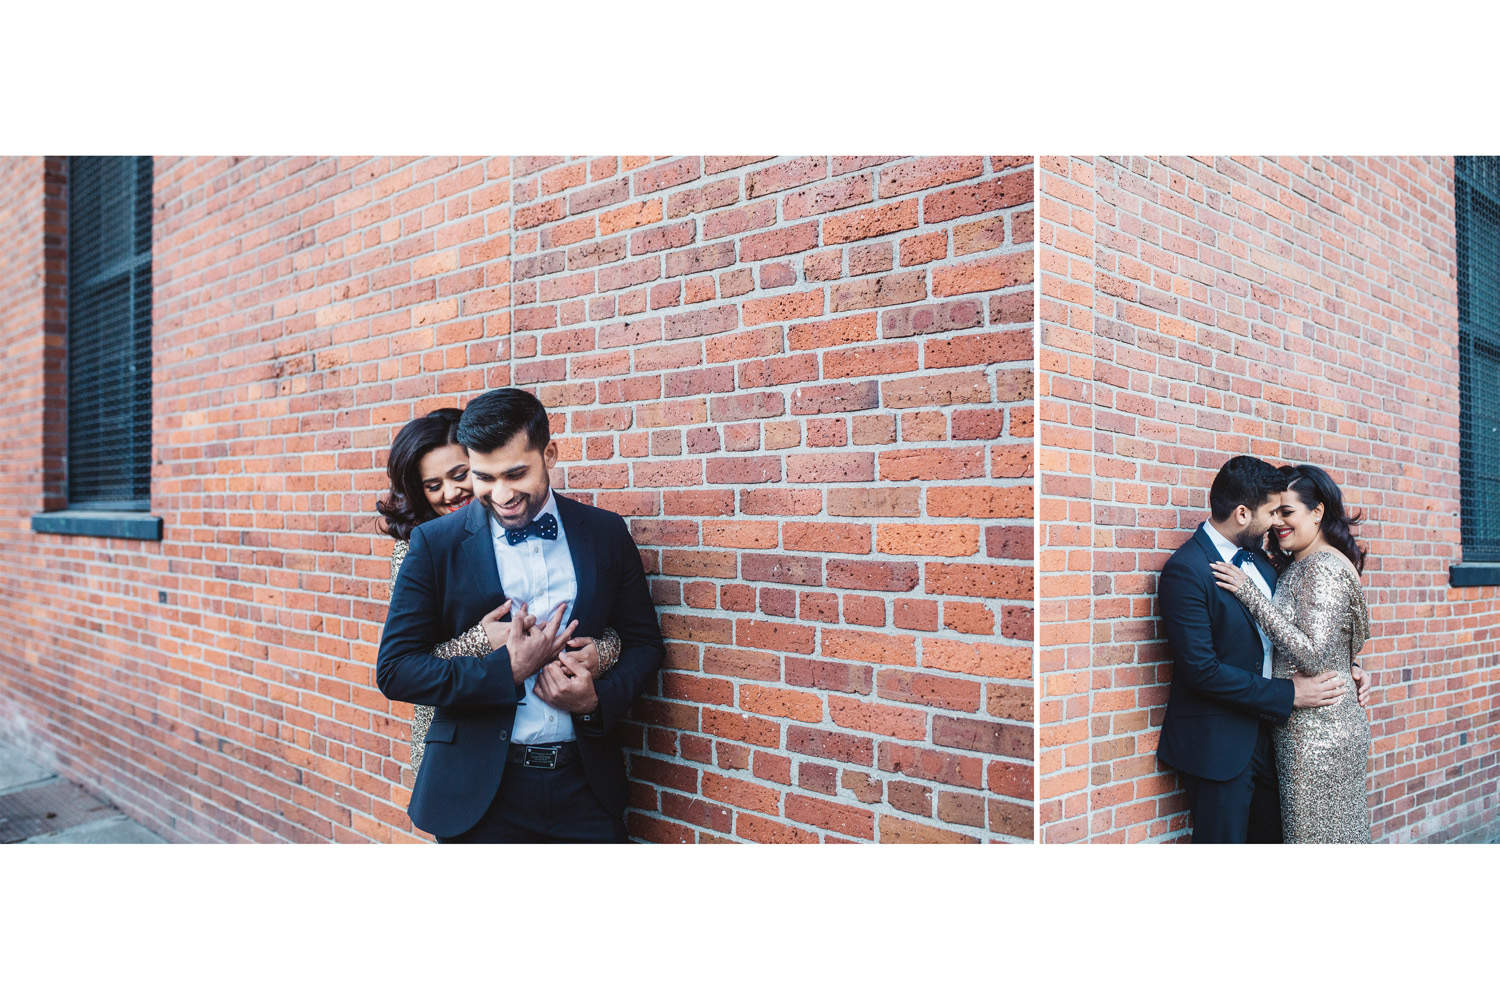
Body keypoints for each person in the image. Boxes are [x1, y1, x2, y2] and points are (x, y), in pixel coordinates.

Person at [376, 388, 664, 842]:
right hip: (478, 798)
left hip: (586, 788)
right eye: (485, 477)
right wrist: (505, 671)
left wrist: (595, 701)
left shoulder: (605, 532)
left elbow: (645, 644)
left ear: (549, 454)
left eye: (516, 474)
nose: (503, 494)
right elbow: (396, 671)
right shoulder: (434, 544)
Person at [375, 407, 619, 776]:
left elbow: (601, 620)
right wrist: (480, 642)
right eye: (433, 485)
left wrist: (604, 649)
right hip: (458, 747)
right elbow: (405, 663)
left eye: (461, 475)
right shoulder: (419, 549)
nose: (451, 492)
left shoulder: (558, 527)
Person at [1156, 455, 1370, 843]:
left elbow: (1298, 631)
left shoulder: (1266, 563)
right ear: (1242, 513)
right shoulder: (1186, 570)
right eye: (1271, 512)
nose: (1275, 522)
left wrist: (1347, 665)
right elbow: (1201, 670)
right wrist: (1289, 694)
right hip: (1219, 747)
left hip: (1276, 742)